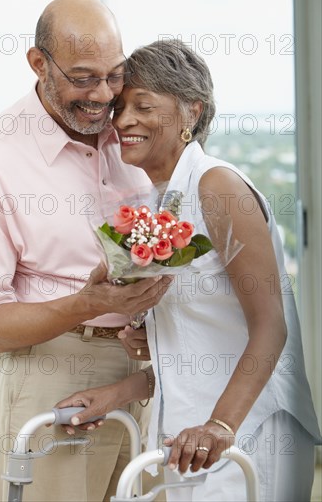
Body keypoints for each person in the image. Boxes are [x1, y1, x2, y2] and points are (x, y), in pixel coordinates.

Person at [56, 39, 322, 501]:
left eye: (143, 106)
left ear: (191, 114)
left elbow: (270, 327)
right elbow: (204, 345)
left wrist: (220, 425)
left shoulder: (216, 186)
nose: (123, 121)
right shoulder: (163, 201)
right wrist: (120, 390)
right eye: (119, 108)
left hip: (247, 432)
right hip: (189, 437)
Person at [0, 0, 171, 502]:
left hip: (149, 374)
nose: (103, 95)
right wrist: (88, 303)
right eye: (82, 78)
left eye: (114, 75)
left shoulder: (133, 131)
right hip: (50, 375)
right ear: (38, 63)